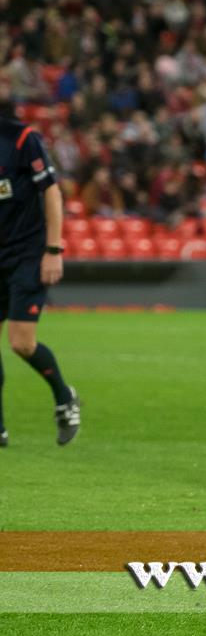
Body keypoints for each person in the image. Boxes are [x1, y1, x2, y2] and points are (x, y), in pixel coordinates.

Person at [0, 116, 81, 448]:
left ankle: (64, 397)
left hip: (27, 254)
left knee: (21, 342)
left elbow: (51, 191)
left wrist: (53, 249)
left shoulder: (20, 139)